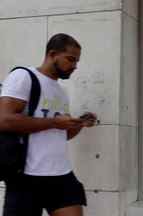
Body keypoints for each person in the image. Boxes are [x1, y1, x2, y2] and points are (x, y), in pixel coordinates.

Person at [0, 33, 96, 216]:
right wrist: (53, 122)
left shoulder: (61, 91)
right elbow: (4, 120)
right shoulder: (23, 76)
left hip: (61, 174)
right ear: (52, 54)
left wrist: (78, 124)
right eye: (70, 59)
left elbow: (62, 135)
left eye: (77, 61)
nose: (75, 66)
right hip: (26, 177)